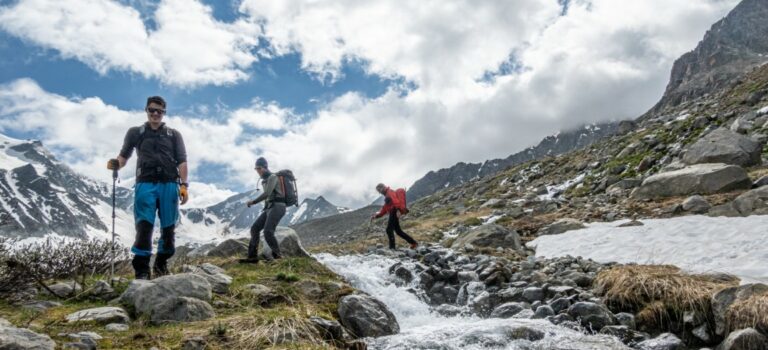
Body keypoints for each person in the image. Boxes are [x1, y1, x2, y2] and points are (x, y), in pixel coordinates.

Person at [107, 96, 188, 280]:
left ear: (164, 113)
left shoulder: (174, 135)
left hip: (169, 183)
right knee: (144, 225)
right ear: (146, 110)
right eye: (152, 110)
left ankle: (161, 263)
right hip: (145, 183)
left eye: (159, 111)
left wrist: (184, 185)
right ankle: (142, 269)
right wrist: (116, 164)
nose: (155, 114)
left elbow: (182, 160)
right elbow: (124, 156)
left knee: (169, 227)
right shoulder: (136, 132)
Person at [239, 157, 285, 264]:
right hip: (270, 208)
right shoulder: (265, 180)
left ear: (265, 167)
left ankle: (278, 257)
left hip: (278, 207)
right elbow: (269, 197)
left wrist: (253, 202)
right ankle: (252, 257)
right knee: (255, 228)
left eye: (259, 168)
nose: (257, 171)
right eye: (256, 169)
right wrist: (266, 207)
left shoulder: (273, 177)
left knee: (268, 231)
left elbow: (267, 194)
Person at [371, 183, 418, 250]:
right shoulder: (387, 195)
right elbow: (384, 209)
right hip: (393, 211)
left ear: (383, 187)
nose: (379, 192)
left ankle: (392, 248)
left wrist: (398, 210)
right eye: (378, 191)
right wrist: (376, 216)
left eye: (380, 189)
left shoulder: (390, 192)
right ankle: (414, 243)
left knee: (389, 230)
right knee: (398, 231)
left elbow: (396, 201)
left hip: (394, 211)